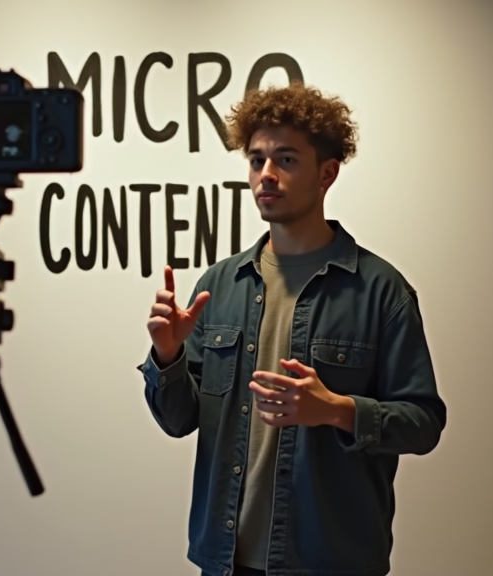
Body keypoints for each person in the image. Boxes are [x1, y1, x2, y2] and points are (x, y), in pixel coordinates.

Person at [139, 82, 447, 576]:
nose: (266, 175)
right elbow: (179, 421)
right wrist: (168, 359)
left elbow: (424, 423)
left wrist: (338, 410)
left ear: (327, 173)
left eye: (285, 160)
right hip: (225, 560)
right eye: (256, 159)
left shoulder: (381, 291)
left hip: (330, 563)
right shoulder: (218, 285)